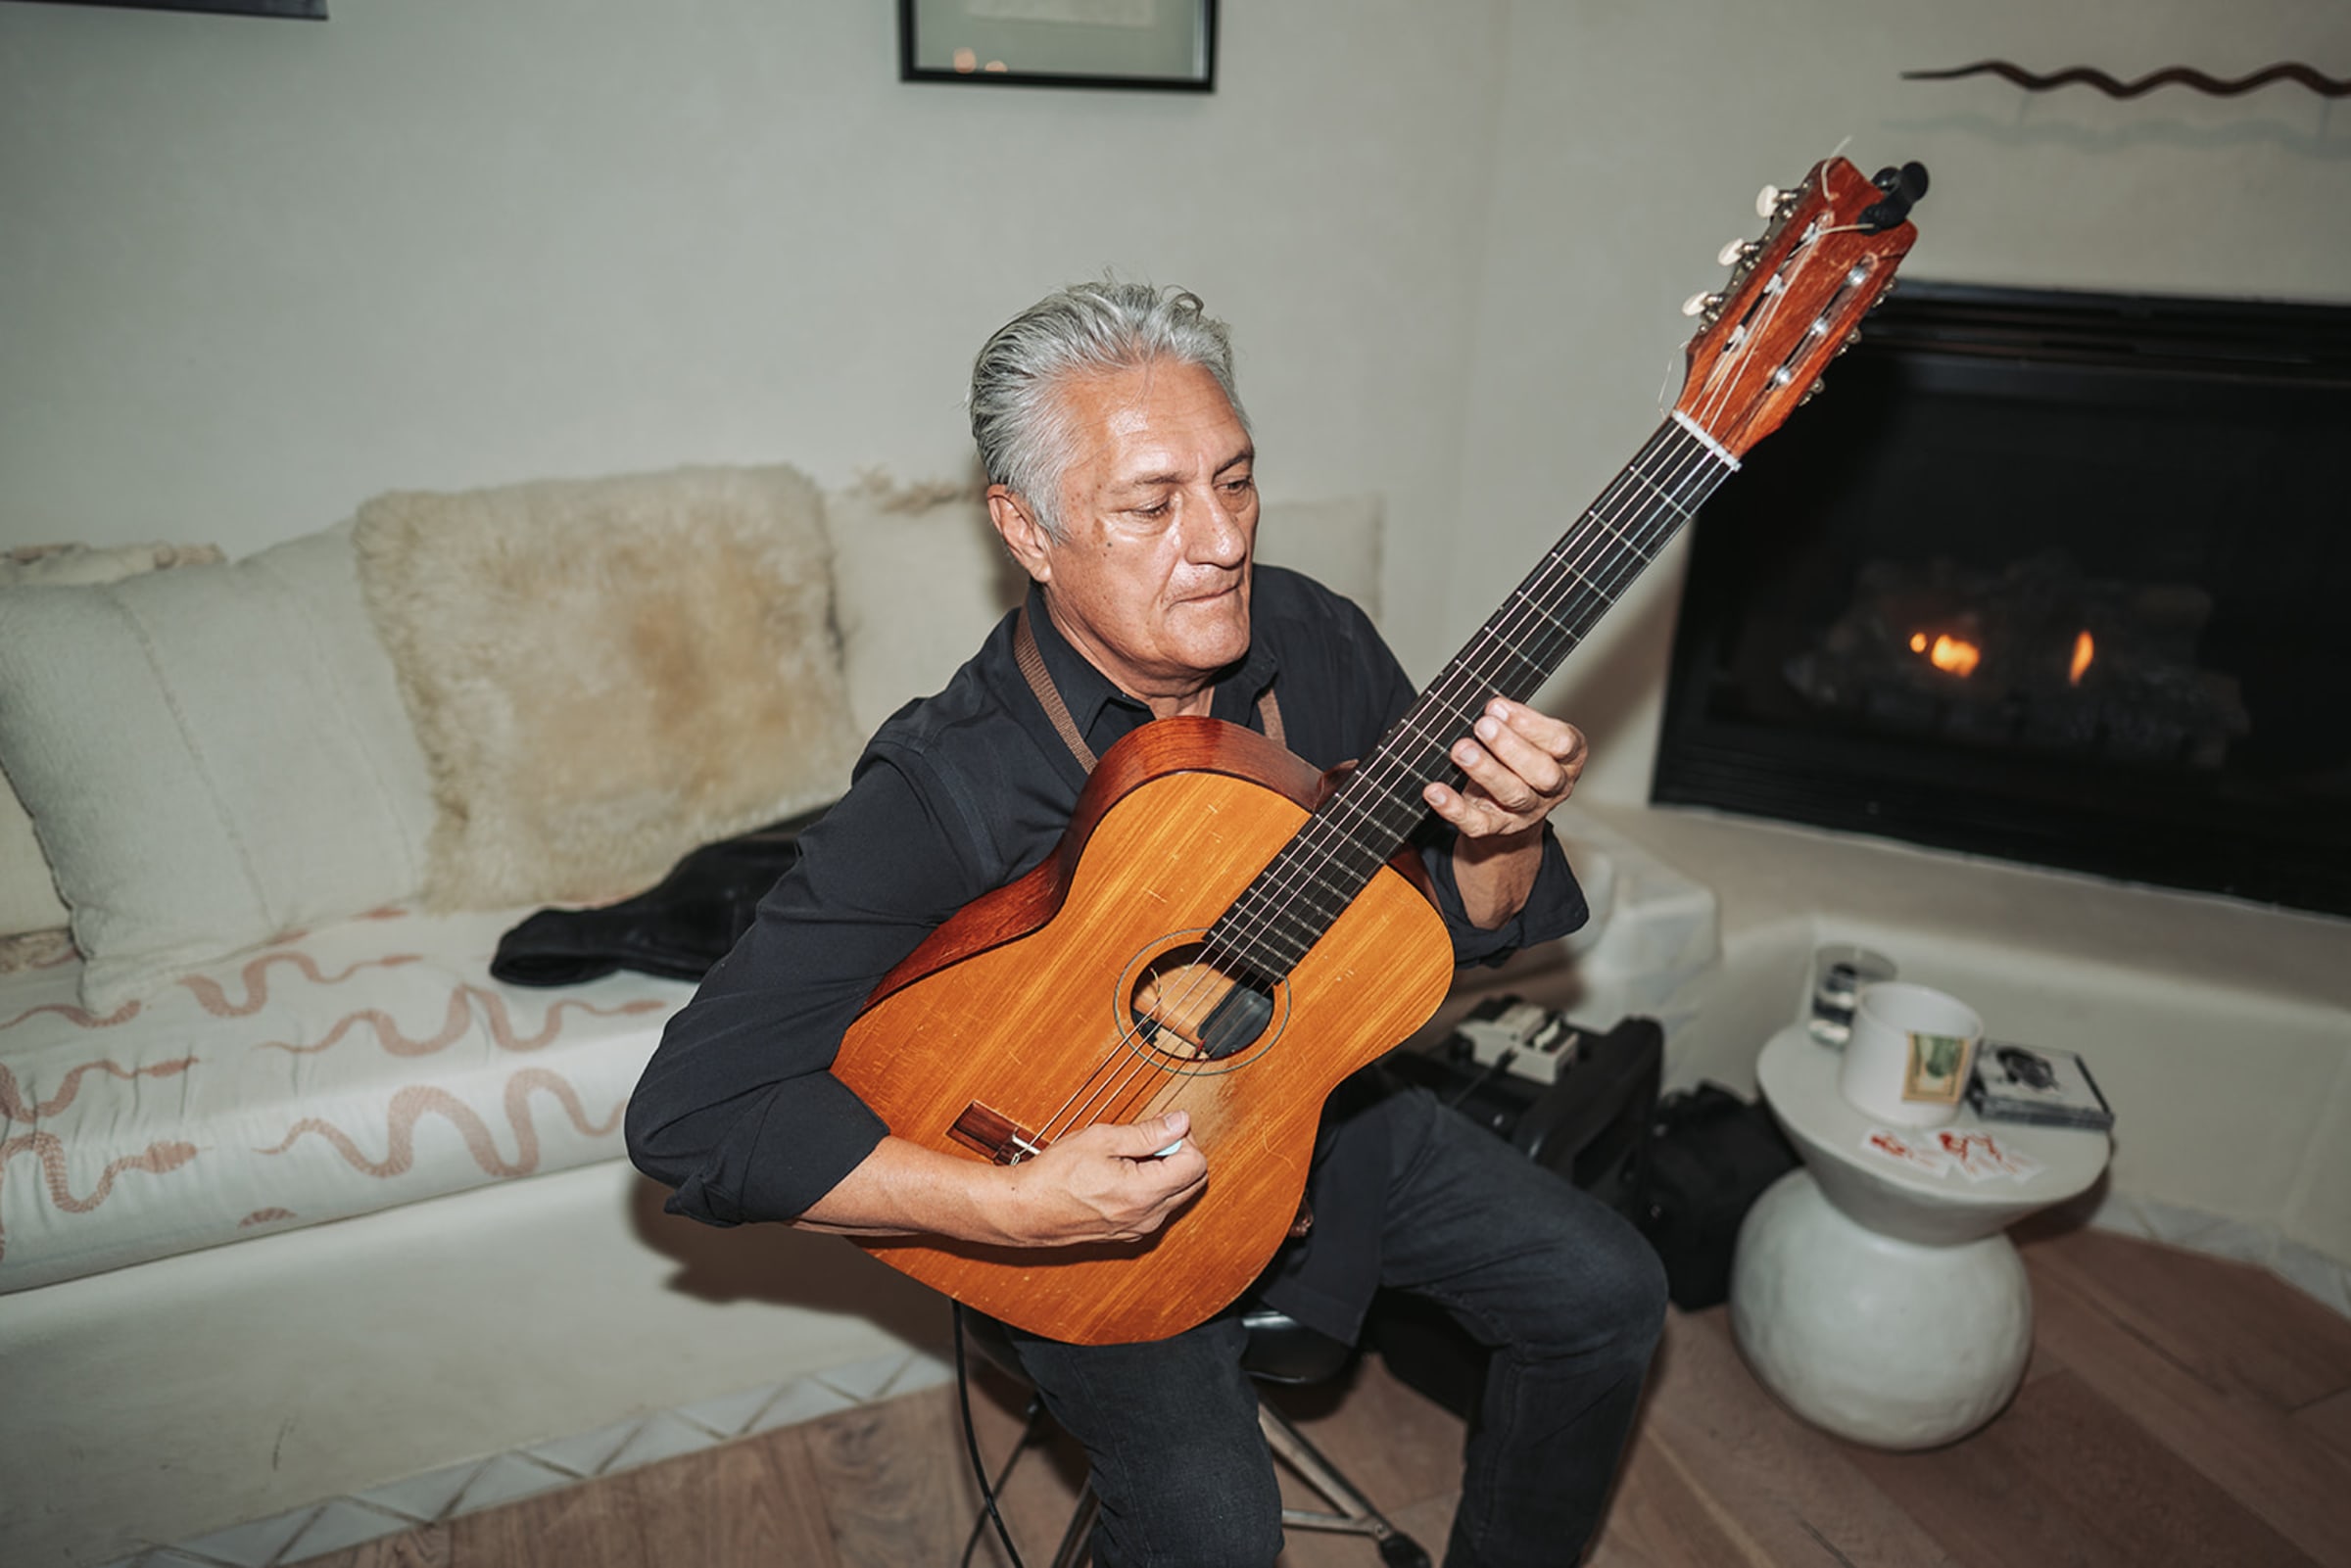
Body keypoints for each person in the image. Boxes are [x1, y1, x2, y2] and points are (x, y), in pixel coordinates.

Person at [627, 281, 1667, 1567]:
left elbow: (1465, 927)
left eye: (1235, 481)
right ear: (1029, 528)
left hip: (1317, 1117)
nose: (1221, 538)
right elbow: (692, 1112)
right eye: (1152, 501)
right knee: (1216, 1531)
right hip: (1076, 1201)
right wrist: (1014, 1211)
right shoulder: (948, 782)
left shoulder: (1315, 638)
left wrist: (1500, 833)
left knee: (1609, 1293)